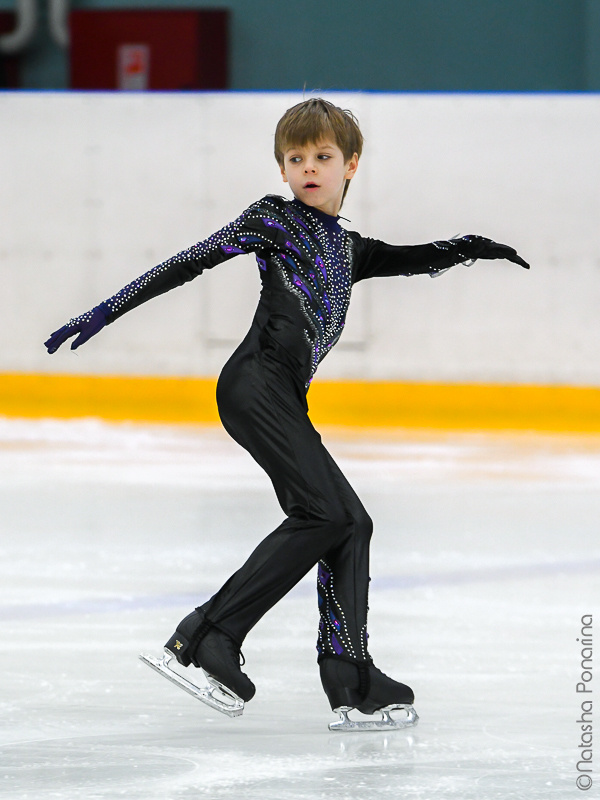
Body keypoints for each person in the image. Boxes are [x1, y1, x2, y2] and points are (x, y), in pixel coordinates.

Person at [45, 97, 529, 731]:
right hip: (254, 385)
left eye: (323, 156)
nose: (308, 167)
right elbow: (189, 262)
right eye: (295, 158)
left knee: (351, 523)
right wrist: (105, 309)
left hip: (281, 398)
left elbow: (416, 256)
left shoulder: (350, 249)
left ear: (351, 164)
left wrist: (471, 246)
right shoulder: (273, 219)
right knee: (324, 513)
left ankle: (350, 676)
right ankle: (208, 636)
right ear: (281, 169)